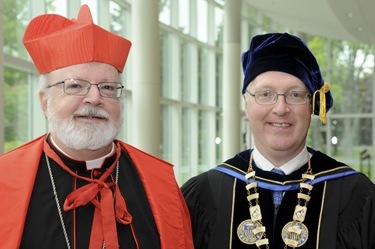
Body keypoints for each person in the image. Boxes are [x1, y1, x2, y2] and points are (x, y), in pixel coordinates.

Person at [0, 5, 193, 249]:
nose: (94, 98)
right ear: (44, 101)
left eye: (108, 87)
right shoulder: (3, 181)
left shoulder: (162, 184)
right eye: (75, 86)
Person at [181, 32, 375, 249]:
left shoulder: (355, 195)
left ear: (312, 105)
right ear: (246, 104)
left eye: (295, 95)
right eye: (265, 94)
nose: (281, 109)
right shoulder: (204, 195)